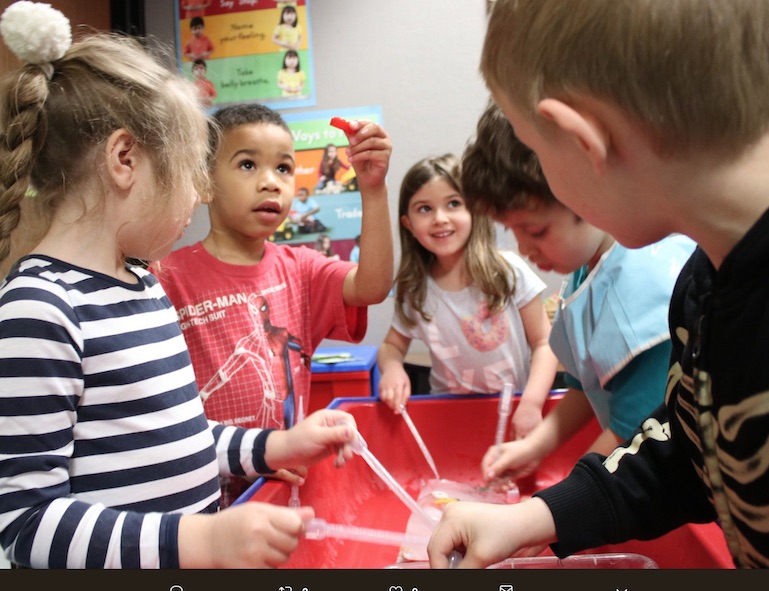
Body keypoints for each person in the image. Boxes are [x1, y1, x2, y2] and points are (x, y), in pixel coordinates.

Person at [428, 0, 769, 570]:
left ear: (584, 140)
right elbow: (691, 447)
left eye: (536, 149)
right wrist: (534, 518)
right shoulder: (702, 282)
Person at [0, 2, 360, 569]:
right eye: (192, 171)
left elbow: (185, 434)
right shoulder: (40, 309)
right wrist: (200, 542)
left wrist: (274, 447)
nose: (196, 195)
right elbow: (22, 522)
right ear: (125, 159)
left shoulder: (143, 285)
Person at [152, 103, 393, 507]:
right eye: (247, 165)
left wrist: (373, 189)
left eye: (283, 168)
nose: (271, 183)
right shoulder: (167, 278)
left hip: (281, 493)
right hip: (203, 502)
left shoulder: (300, 269)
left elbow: (372, 286)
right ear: (205, 182)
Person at [460, 101, 694, 490]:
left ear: (584, 189)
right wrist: (534, 446)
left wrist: (556, 506)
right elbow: (594, 386)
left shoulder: (638, 292)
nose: (524, 249)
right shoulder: (588, 269)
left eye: (535, 231)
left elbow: (630, 434)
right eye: (513, 231)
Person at [377, 154, 559, 438]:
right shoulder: (415, 289)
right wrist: (392, 369)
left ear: (475, 210)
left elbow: (544, 342)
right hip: (449, 420)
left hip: (514, 411)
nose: (440, 218)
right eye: (424, 208)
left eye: (453, 203)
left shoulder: (509, 271)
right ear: (408, 224)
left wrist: (532, 403)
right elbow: (391, 345)